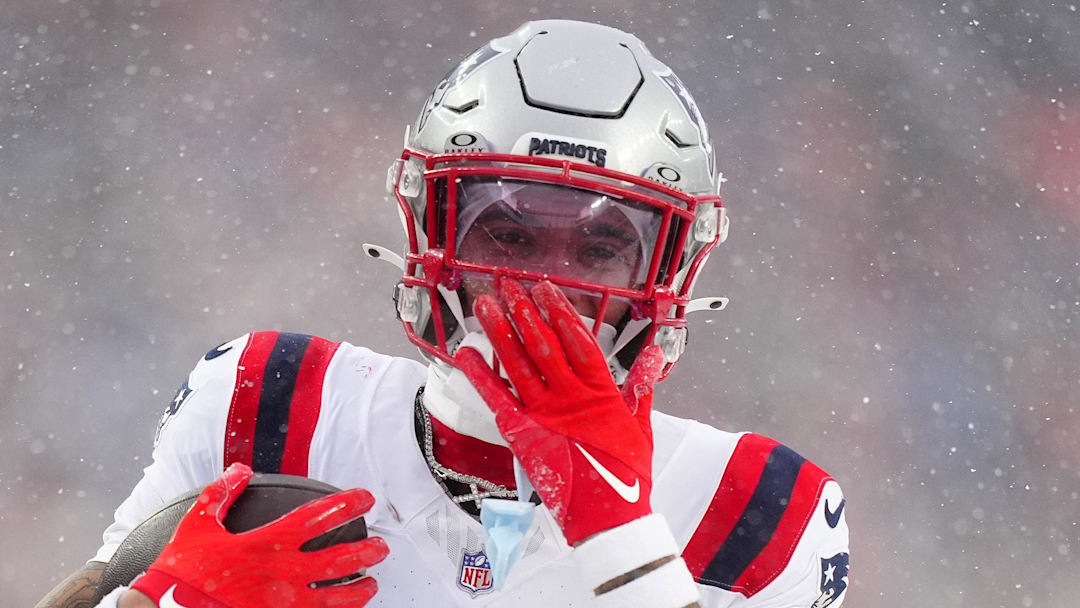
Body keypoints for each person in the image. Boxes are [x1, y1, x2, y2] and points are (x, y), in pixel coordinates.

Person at [37, 20, 849, 608]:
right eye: (510, 233)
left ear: (674, 264)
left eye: (601, 248)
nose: (550, 287)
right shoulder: (264, 401)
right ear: (427, 226)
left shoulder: (765, 511)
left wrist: (621, 536)